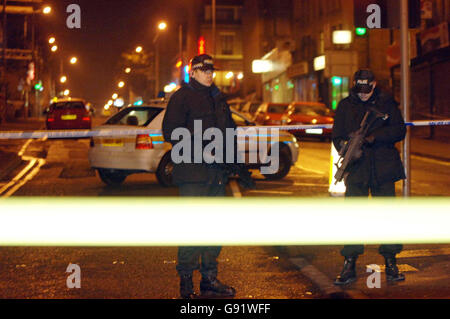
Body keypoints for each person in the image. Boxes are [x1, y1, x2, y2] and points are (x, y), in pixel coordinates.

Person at [162, 54, 252, 299]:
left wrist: (237, 165)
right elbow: (170, 133)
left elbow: (229, 133)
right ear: (193, 72)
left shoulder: (218, 99)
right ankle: (186, 281)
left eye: (211, 70)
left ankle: (209, 278)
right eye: (204, 70)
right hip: (192, 173)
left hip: (216, 173)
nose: (209, 74)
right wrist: (201, 143)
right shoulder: (182, 97)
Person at [332, 69, 406, 285]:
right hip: (358, 169)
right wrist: (349, 149)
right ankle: (350, 262)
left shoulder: (386, 103)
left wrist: (374, 137)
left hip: (383, 168)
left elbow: (399, 130)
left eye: (367, 89)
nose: (363, 94)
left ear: (374, 84)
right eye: (359, 89)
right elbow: (337, 136)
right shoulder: (345, 106)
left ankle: (391, 261)